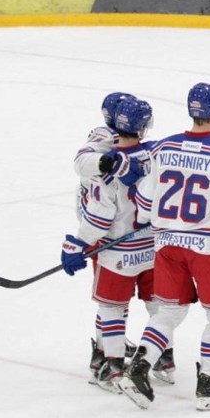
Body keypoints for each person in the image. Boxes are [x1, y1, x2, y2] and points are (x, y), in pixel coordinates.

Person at [120, 83, 210, 411]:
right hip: (208, 249)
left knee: (169, 312)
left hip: (167, 245)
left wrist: (151, 215)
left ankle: (139, 368)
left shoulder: (163, 148)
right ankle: (209, 383)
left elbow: (143, 203)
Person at [60, 96, 160, 393]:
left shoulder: (140, 153)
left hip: (111, 244)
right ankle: (154, 357)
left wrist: (79, 242)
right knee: (152, 305)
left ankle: (110, 362)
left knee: (112, 305)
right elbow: (83, 161)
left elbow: (101, 213)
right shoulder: (111, 141)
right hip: (138, 243)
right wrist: (110, 161)